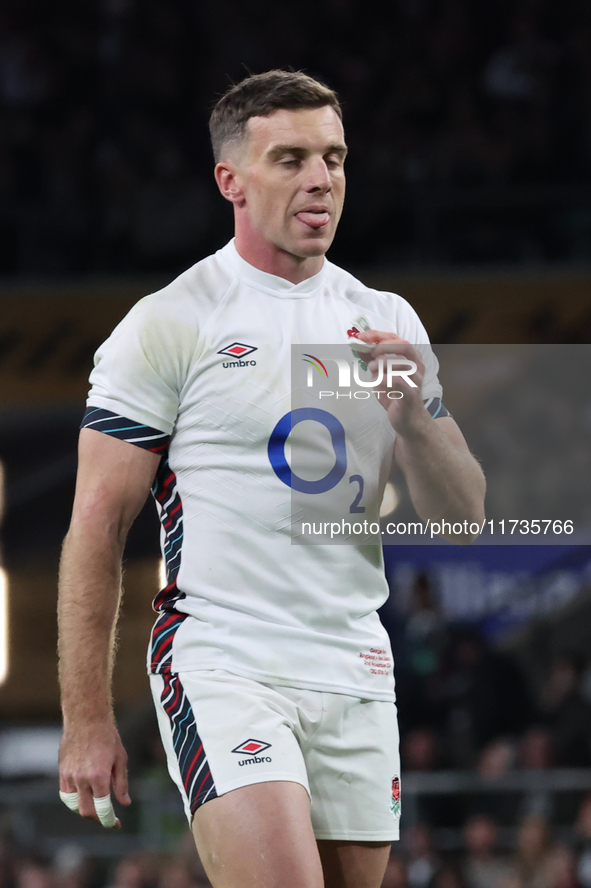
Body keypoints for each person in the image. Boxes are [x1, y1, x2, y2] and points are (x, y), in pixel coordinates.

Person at [57, 70, 485, 888]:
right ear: (231, 181)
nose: (320, 179)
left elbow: (461, 517)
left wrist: (416, 422)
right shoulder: (172, 322)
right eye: (289, 159)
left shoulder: (385, 319)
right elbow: (97, 527)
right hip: (225, 657)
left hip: (353, 662)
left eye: (333, 157)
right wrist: (86, 719)